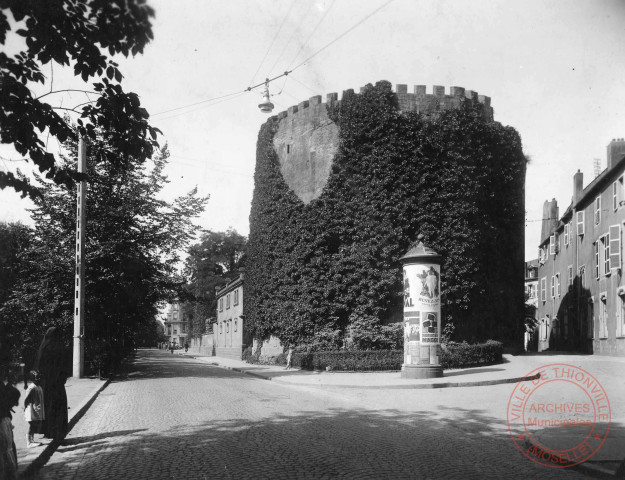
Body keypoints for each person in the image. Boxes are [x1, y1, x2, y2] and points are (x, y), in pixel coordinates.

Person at [34, 327, 68, 442]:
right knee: (58, 407)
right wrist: (62, 378)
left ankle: (48, 431)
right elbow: (64, 366)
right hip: (57, 383)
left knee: (47, 406)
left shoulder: (43, 347)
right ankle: (58, 432)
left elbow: (38, 365)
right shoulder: (60, 347)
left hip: (45, 383)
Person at [23, 370, 45, 448]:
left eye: (39, 377)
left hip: (36, 409)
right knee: (31, 425)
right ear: (33, 378)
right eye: (36, 378)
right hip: (31, 410)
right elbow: (26, 399)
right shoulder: (31, 387)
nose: (38, 379)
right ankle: (28, 442)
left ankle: (32, 440)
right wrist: (25, 408)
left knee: (34, 425)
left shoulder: (38, 386)